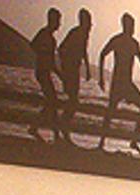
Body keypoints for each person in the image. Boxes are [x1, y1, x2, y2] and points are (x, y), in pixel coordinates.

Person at [97, 13, 140, 155]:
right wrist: (101, 78)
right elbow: (102, 54)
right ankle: (101, 143)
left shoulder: (134, 43)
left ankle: (134, 141)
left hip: (127, 83)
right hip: (118, 83)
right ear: (125, 26)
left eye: (133, 26)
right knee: (110, 112)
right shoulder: (117, 40)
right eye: (131, 26)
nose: (133, 29)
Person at [58, 8, 93, 141]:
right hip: (70, 70)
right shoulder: (75, 32)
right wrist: (66, 66)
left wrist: (87, 69)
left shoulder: (84, 34)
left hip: (75, 70)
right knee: (73, 101)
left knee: (73, 100)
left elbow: (84, 51)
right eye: (89, 21)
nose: (91, 25)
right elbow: (61, 49)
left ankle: (62, 125)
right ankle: (62, 126)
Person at [29, 8, 63, 142]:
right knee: (52, 102)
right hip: (42, 71)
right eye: (58, 21)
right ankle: (49, 131)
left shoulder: (52, 39)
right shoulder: (44, 34)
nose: (59, 24)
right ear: (52, 20)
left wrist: (59, 74)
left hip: (44, 71)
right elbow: (33, 45)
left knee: (52, 102)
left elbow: (52, 61)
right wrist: (42, 54)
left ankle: (40, 128)